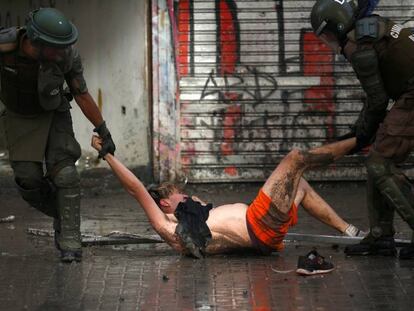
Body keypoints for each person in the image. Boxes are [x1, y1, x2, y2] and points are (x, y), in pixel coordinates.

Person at [91, 134, 362, 274]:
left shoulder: (189, 218)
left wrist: (191, 201)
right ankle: (362, 139)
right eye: (178, 194)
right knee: (295, 159)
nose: (185, 195)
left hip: (263, 235)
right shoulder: (168, 226)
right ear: (164, 203)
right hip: (259, 223)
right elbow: (137, 189)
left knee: (299, 185)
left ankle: (348, 230)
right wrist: (107, 155)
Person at [0, 8, 116, 262]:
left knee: (66, 174)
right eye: (55, 47)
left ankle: (70, 241)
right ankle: (63, 213)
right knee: (28, 179)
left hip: (54, 112)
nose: (61, 52)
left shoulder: (66, 57)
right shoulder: (5, 47)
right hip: (19, 116)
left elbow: (82, 94)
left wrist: (103, 130)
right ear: (35, 41)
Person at [310, 0, 414, 259]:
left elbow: (378, 101)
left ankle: (382, 234)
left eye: (327, 34)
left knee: (379, 164)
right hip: (408, 94)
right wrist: (360, 130)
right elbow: (375, 98)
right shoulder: (367, 31)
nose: (328, 41)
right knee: (378, 158)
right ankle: (380, 235)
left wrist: (360, 135)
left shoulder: (359, 46)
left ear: (337, 26)